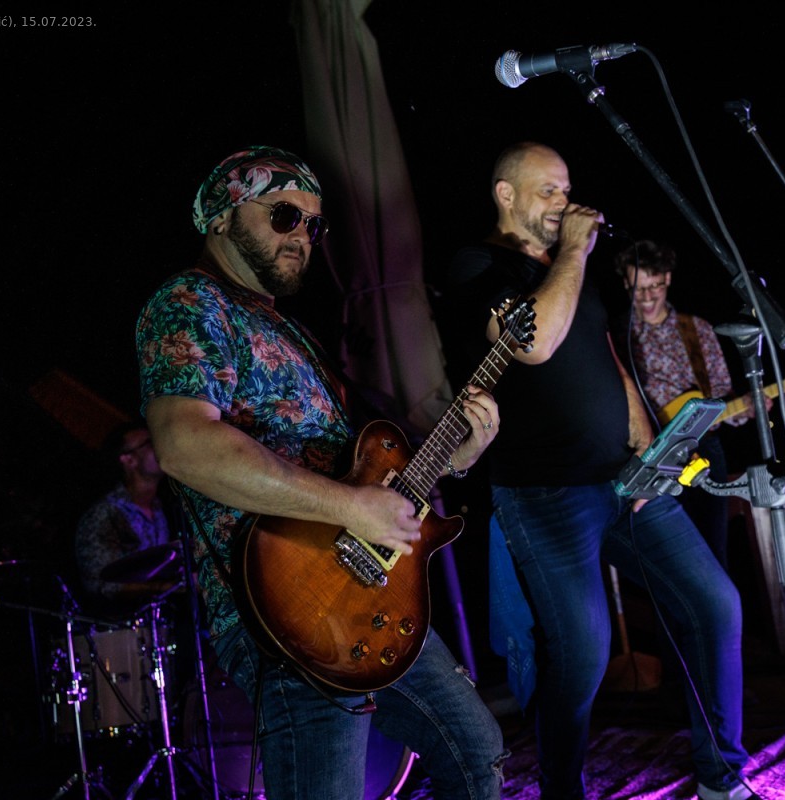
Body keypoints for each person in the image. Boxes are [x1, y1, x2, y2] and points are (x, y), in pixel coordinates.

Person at [136, 146, 505, 799]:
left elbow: (364, 479)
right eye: (284, 215)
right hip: (281, 611)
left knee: (476, 754)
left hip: (367, 593)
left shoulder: (293, 333)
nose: (303, 235)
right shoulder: (189, 302)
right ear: (222, 215)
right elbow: (185, 445)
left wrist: (454, 456)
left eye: (314, 224)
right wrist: (350, 508)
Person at [441, 142, 750, 800]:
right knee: (584, 652)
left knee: (715, 604)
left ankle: (722, 779)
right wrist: (576, 252)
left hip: (623, 479)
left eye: (566, 188)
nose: (565, 202)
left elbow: (605, 354)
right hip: (545, 493)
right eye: (548, 190)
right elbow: (533, 342)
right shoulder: (477, 266)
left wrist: (645, 445)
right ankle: (563, 790)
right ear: (506, 195)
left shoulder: (568, 270)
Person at [613, 240, 762, 568]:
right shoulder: (617, 335)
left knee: (712, 553)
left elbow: (721, 397)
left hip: (700, 449)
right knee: (667, 561)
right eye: (638, 288)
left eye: (655, 286)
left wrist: (748, 408)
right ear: (625, 283)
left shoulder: (697, 329)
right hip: (647, 455)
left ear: (668, 278)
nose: (647, 297)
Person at [73, 422, 174, 611]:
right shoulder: (104, 515)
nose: (159, 445)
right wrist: (174, 587)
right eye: (149, 442)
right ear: (129, 460)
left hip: (159, 619)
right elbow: (102, 586)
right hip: (121, 623)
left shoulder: (161, 507)